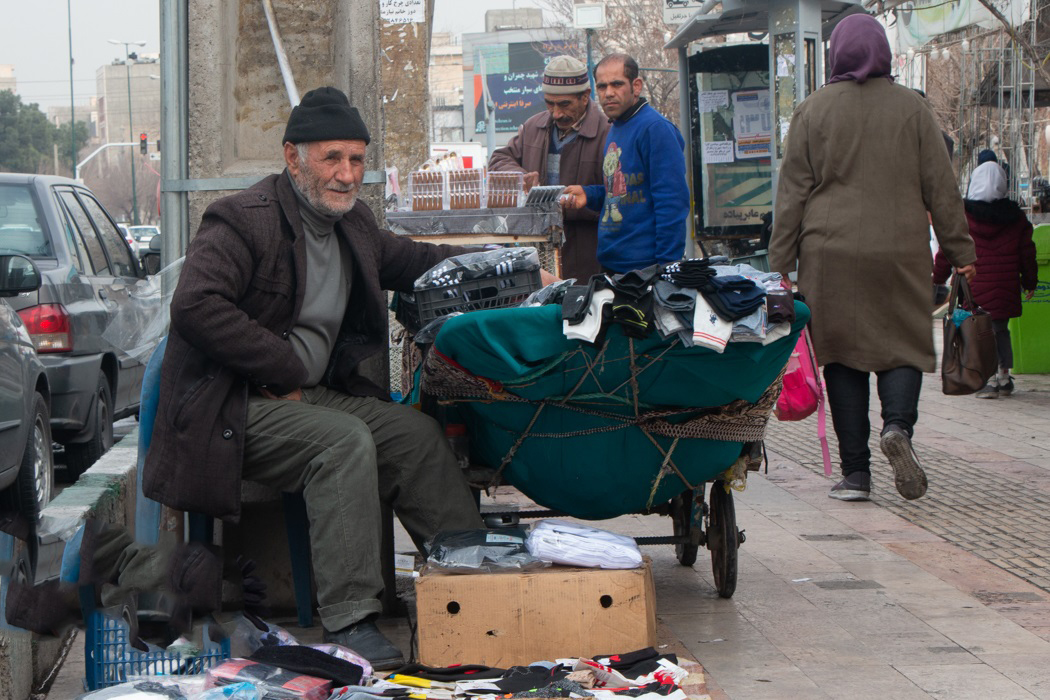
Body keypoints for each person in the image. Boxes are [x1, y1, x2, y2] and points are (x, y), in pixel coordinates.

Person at [141, 86, 491, 669]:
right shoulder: (241, 219)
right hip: (231, 405)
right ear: (293, 156)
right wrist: (279, 367)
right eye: (332, 158)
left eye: (356, 159)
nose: (347, 174)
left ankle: (473, 578)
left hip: (309, 396)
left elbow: (416, 260)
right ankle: (352, 620)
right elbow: (196, 305)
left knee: (416, 436)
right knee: (342, 442)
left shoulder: (354, 226)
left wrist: (493, 267)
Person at [768, 14, 977, 503]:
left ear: (837, 53)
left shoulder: (812, 111)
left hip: (829, 252)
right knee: (901, 344)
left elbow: (792, 194)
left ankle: (856, 474)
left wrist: (781, 261)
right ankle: (898, 428)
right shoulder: (913, 109)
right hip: (900, 250)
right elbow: (941, 188)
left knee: (841, 356)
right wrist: (961, 251)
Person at [561, 54, 690, 274]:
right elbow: (625, 191)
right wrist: (589, 195)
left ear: (636, 86)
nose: (608, 93)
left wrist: (667, 269)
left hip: (645, 270)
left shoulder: (655, 129)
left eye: (617, 84)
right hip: (613, 265)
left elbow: (672, 203)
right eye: (602, 87)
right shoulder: (617, 127)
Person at [489, 55, 609, 280]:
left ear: (585, 97)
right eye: (549, 103)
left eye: (564, 104)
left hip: (587, 253)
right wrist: (519, 176)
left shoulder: (607, 132)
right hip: (539, 251)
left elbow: (616, 194)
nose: (556, 113)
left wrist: (578, 203)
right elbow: (498, 159)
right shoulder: (534, 126)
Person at [934, 161, 1037, 398]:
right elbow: (1027, 253)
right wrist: (1029, 282)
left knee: (978, 330)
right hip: (1006, 285)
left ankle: (988, 378)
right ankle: (1003, 374)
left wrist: (938, 277)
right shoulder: (1016, 217)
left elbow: (948, 249)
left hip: (975, 285)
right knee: (1000, 329)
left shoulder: (962, 215)